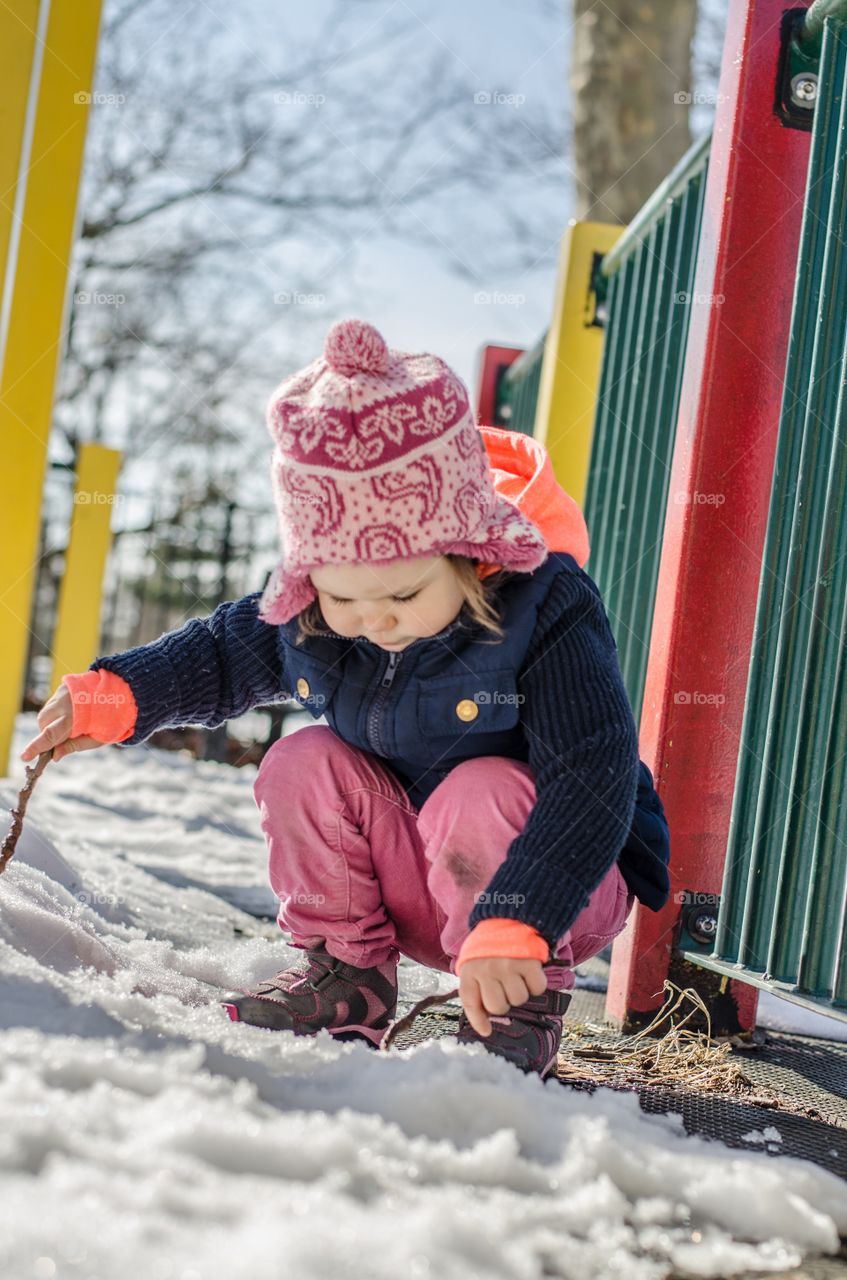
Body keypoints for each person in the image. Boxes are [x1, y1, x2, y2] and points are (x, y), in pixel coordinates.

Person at [21, 318, 670, 1079]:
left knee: (478, 786)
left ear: (468, 554)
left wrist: (521, 914)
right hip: (416, 878)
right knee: (302, 759)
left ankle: (513, 1017)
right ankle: (346, 978)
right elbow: (219, 654)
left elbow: (590, 775)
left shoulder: (544, 605)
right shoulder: (314, 611)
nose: (373, 620)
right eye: (343, 597)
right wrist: (120, 693)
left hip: (554, 892)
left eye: (402, 592)